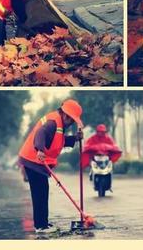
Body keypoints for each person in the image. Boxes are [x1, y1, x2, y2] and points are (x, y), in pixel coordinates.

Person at [18, 99, 84, 234]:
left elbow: (60, 140)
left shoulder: (59, 124)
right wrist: (40, 149)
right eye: (71, 120)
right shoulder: (53, 122)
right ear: (65, 115)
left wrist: (75, 138)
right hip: (33, 160)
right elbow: (40, 134)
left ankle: (43, 223)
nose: (71, 123)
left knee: (43, 192)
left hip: (36, 162)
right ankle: (40, 226)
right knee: (39, 193)